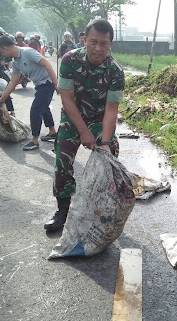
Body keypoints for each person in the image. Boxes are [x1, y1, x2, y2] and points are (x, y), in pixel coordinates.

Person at [44, 19, 125, 233]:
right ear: (84, 40)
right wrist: (83, 132)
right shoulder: (70, 60)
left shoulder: (115, 71)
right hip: (73, 117)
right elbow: (67, 99)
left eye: (104, 43)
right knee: (62, 158)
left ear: (111, 45)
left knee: (111, 158)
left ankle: (101, 209)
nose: (98, 48)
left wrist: (105, 143)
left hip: (99, 120)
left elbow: (111, 109)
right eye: (93, 42)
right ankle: (62, 210)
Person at [0, 35, 60, 151]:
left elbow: (47, 64)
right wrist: (2, 98)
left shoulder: (27, 52)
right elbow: (13, 81)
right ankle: (52, 132)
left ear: (4, 48)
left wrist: (56, 84)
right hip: (40, 85)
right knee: (43, 108)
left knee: (36, 110)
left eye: (0, 51)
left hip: (47, 83)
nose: (2, 54)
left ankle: (35, 140)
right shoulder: (16, 62)